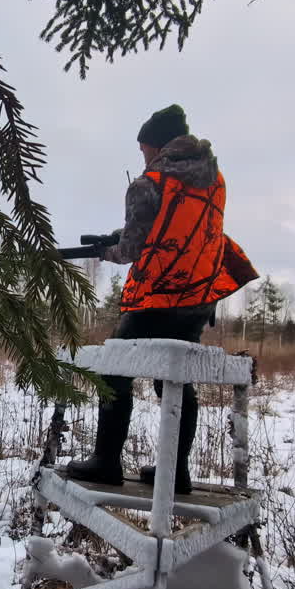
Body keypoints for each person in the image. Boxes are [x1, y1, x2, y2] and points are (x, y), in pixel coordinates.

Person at [64, 104, 258, 492]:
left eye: (143, 149)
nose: (143, 156)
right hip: (199, 298)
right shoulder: (212, 179)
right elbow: (182, 227)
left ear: (155, 145)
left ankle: (105, 462)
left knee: (113, 370)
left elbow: (132, 249)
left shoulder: (148, 183)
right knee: (174, 379)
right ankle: (176, 472)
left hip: (158, 296)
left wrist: (107, 251)